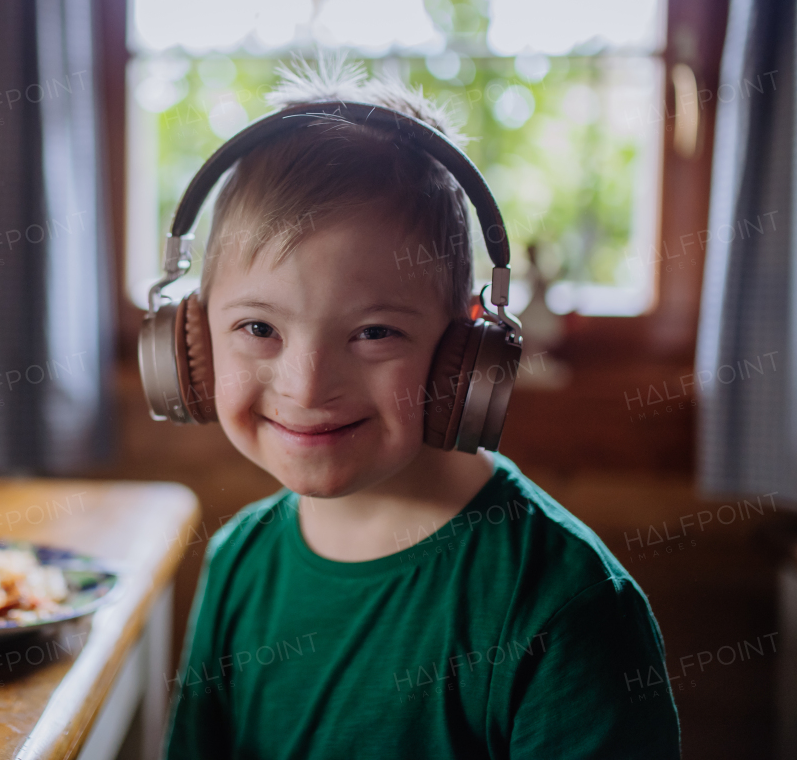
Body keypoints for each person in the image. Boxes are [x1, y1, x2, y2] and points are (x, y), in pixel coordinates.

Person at [163, 55, 681, 758]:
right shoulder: (237, 563)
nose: (308, 386)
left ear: (463, 355)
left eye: (374, 333)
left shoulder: (569, 608)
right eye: (259, 328)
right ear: (191, 339)